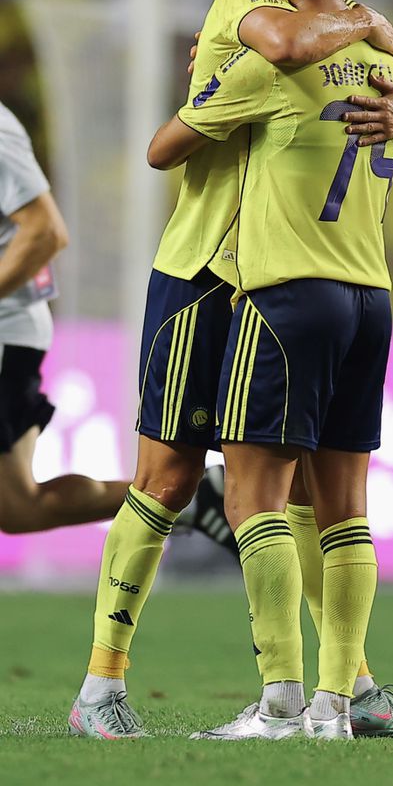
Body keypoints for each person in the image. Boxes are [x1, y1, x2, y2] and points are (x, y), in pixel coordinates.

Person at [68, 0, 393, 741]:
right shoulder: (246, 2)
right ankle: (102, 685)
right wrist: (368, 29)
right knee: (166, 481)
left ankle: (342, 688)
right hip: (205, 270)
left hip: (287, 281)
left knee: (315, 501)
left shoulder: (360, 38)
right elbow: (282, 46)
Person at [0, 101, 232, 543]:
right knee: (18, 507)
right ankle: (189, 497)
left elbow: (44, 231)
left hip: (5, 330)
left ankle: (180, 493)